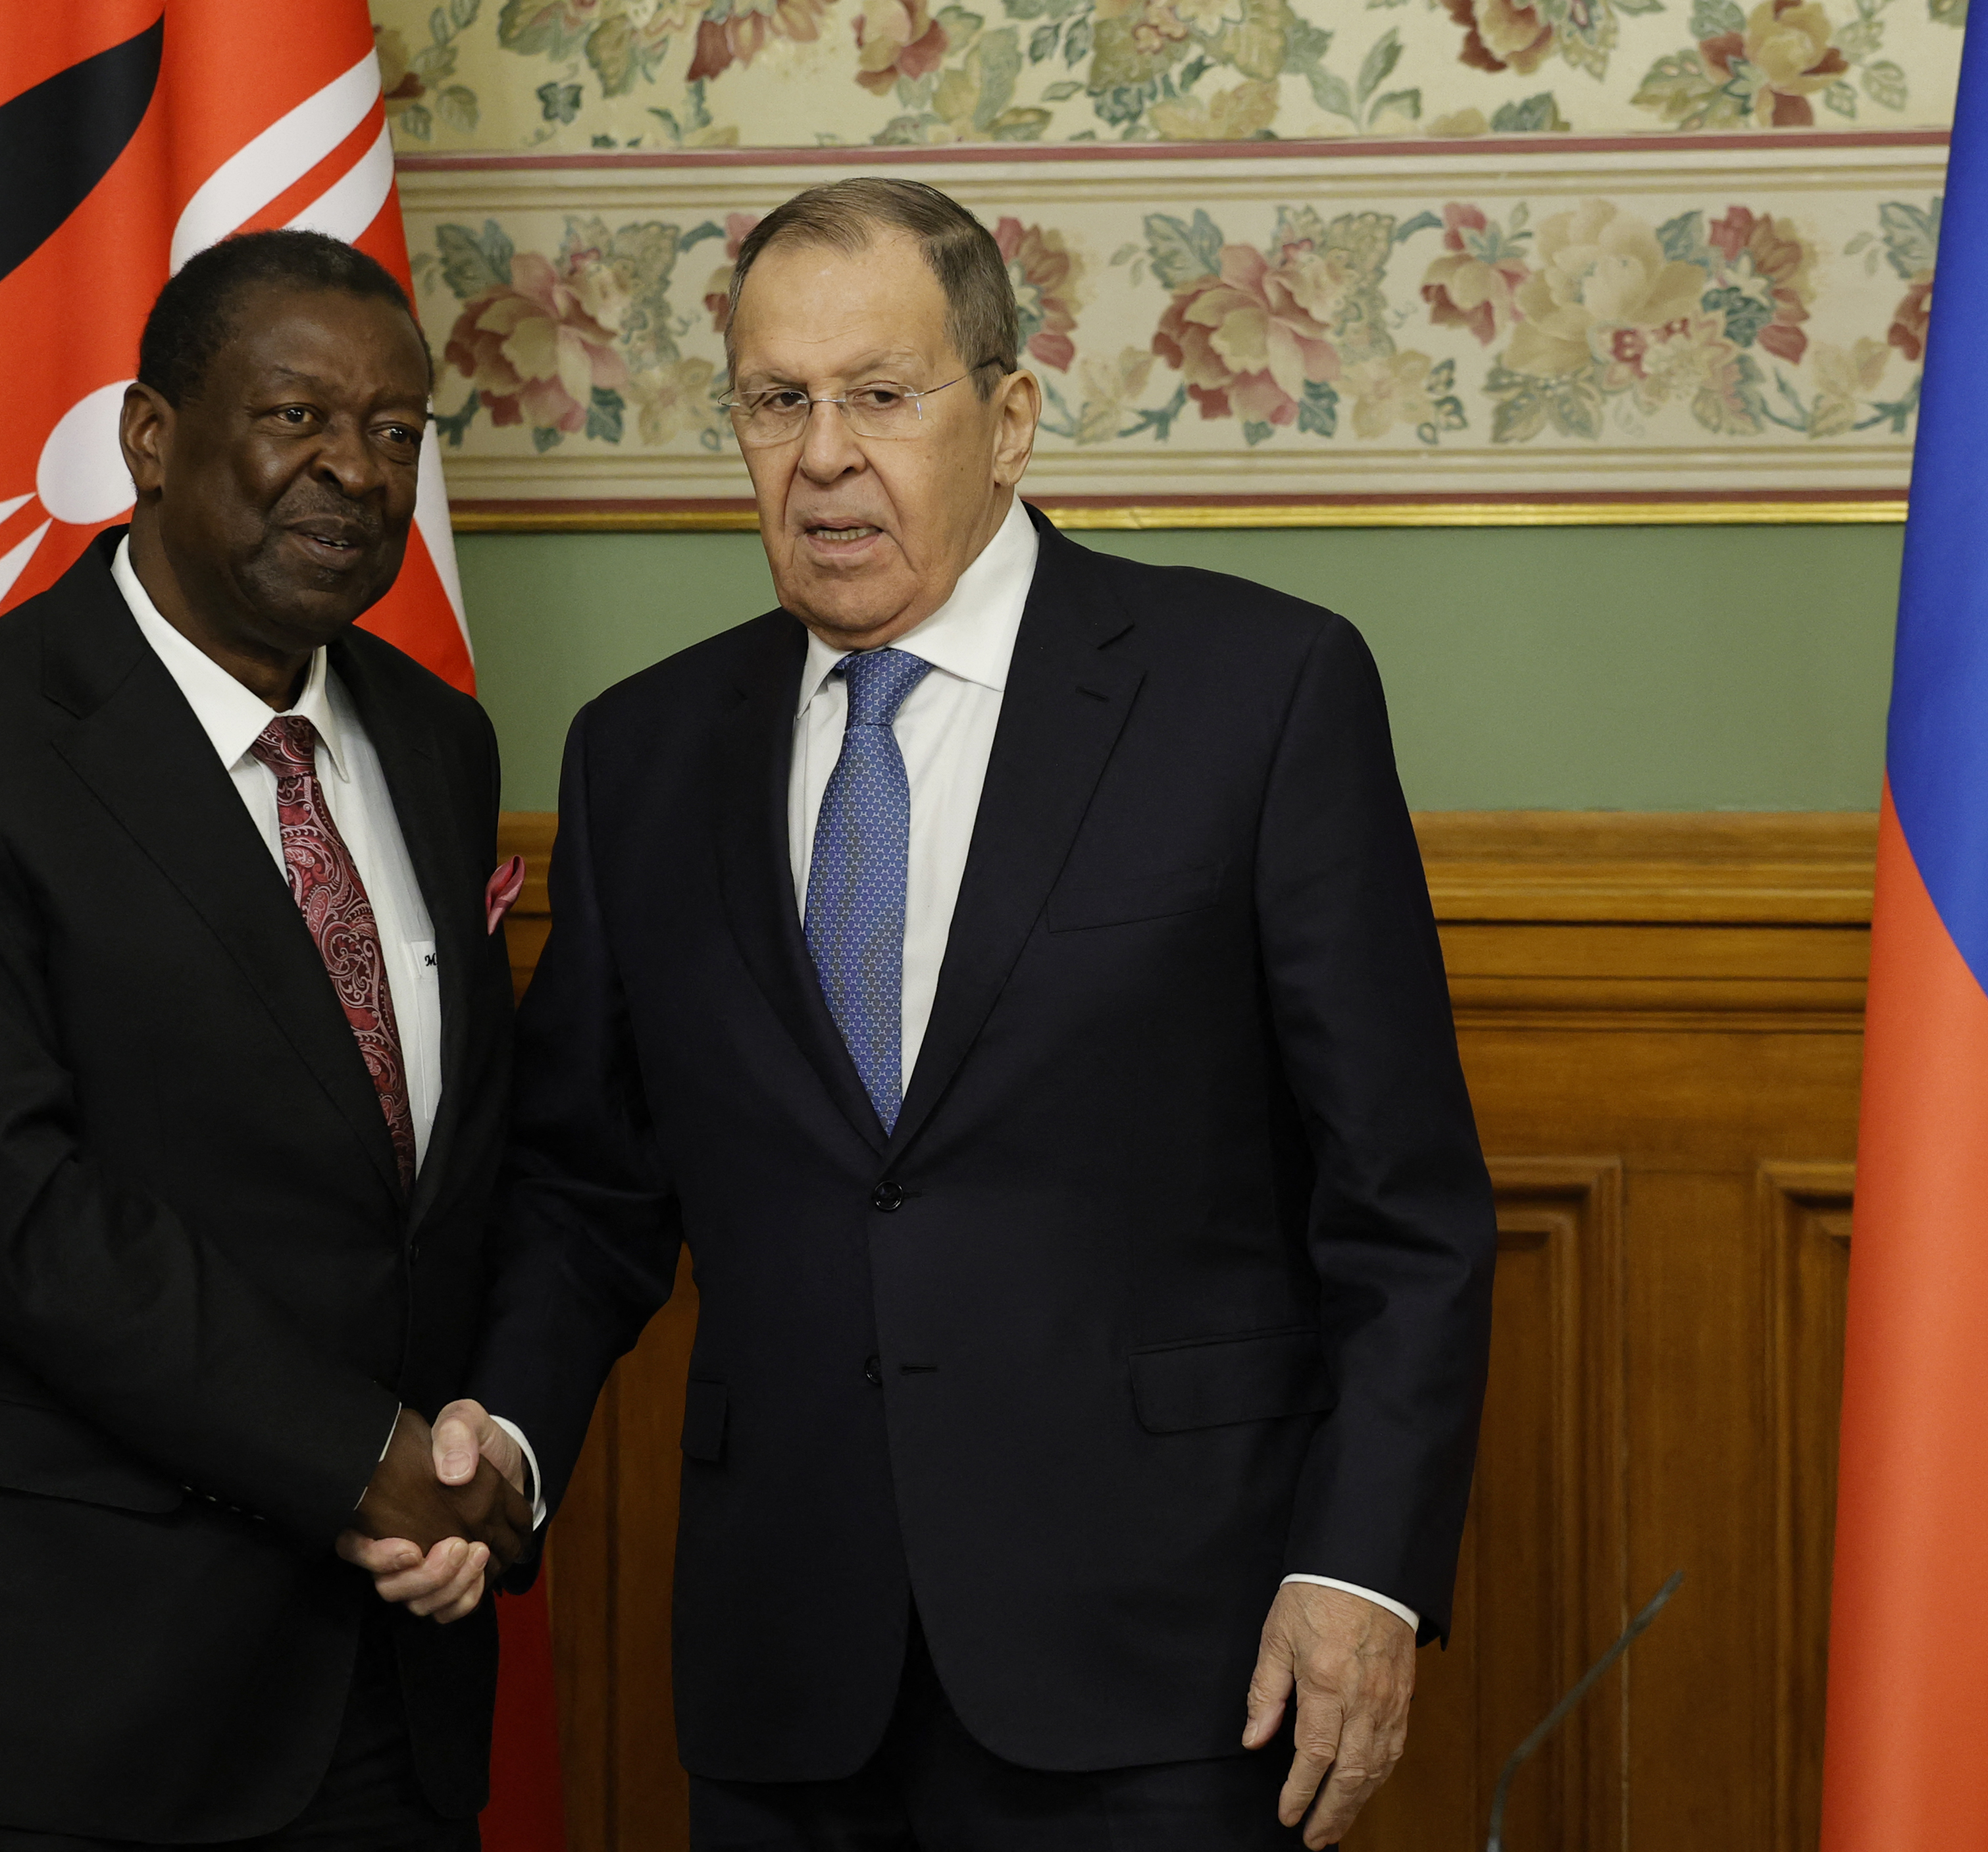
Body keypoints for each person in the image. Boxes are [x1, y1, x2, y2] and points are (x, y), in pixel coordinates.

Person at [405, 178, 1498, 1849]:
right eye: (775, 402)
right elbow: (587, 1190)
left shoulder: (1254, 693)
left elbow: (1403, 1204)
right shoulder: (643, 752)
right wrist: (510, 1440)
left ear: (1009, 419)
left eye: (880, 395)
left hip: (1169, 1666)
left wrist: (1361, 1569)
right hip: (788, 1676)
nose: (823, 456)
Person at [0, 229, 532, 1852]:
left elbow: (443, 1184)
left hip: (374, 1683)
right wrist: (357, 1459)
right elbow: (3, 1206)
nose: (353, 470)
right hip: (36, 1702)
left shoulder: (436, 745)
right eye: (296, 416)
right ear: (150, 440)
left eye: (394, 431)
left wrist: (474, 1458)